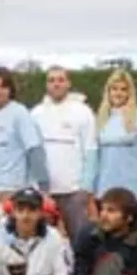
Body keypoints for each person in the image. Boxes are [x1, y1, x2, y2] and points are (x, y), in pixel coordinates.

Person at [31, 65, 98, 242]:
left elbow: (91, 150)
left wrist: (86, 188)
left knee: (80, 240)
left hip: (74, 191)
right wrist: (36, 186)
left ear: (68, 83)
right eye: (51, 80)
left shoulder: (83, 112)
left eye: (60, 80)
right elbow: (33, 153)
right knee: (42, 241)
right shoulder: (36, 113)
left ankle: (80, 270)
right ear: (46, 85)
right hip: (44, 192)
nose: (56, 84)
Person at [0, 66, 49, 199]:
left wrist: (43, 186)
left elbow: (34, 150)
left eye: (3, 87)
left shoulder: (20, 114)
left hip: (10, 188)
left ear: (10, 90)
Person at [94, 69, 137, 219]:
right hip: (105, 190)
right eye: (114, 89)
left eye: (123, 89)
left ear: (130, 92)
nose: (118, 93)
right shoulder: (99, 119)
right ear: (108, 91)